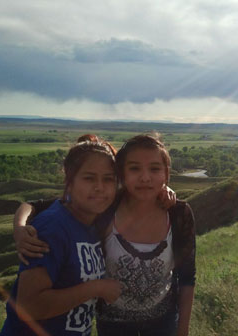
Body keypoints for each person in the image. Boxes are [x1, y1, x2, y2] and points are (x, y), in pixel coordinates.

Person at [13, 134, 196, 336]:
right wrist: (20, 226)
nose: (145, 177)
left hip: (163, 323)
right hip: (112, 326)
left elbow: (187, 277)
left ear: (166, 173)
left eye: (155, 169)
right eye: (134, 168)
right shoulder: (103, 208)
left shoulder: (176, 214)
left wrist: (183, 331)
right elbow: (39, 206)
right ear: (123, 175)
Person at [0, 134, 122, 336]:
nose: (100, 187)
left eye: (108, 179)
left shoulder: (90, 220)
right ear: (70, 180)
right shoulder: (53, 227)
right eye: (89, 178)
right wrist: (97, 288)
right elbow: (29, 307)